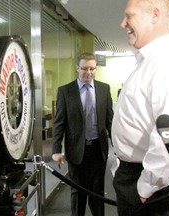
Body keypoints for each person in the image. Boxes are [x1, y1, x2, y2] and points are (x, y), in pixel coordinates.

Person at [111, 0, 169, 215]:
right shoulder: (149, 62)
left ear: (154, 15)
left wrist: (144, 189)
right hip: (134, 173)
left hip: (146, 180)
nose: (122, 23)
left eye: (129, 16)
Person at [52, 52, 113, 216]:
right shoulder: (65, 91)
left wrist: (119, 147)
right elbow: (59, 122)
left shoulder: (104, 89)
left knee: (97, 193)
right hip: (76, 150)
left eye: (92, 68)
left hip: (98, 150)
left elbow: (110, 121)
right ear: (77, 68)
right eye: (85, 68)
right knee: (78, 193)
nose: (89, 72)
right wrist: (56, 149)